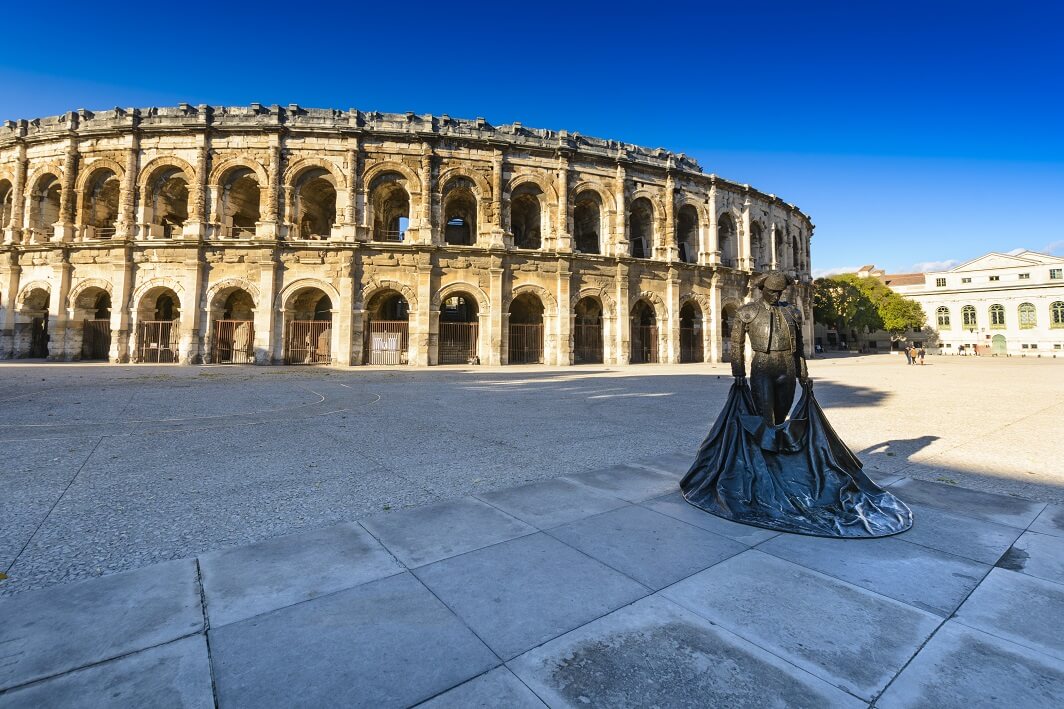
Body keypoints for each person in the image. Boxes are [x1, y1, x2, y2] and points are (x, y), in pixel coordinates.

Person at [730, 271, 807, 427]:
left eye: (780, 292)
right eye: (772, 292)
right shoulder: (747, 311)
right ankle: (765, 445)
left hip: (788, 365)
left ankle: (775, 442)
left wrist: (803, 373)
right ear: (762, 289)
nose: (776, 296)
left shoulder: (792, 312)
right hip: (763, 364)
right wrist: (738, 372)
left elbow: (799, 345)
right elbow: (736, 343)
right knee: (764, 411)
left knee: (783, 411)